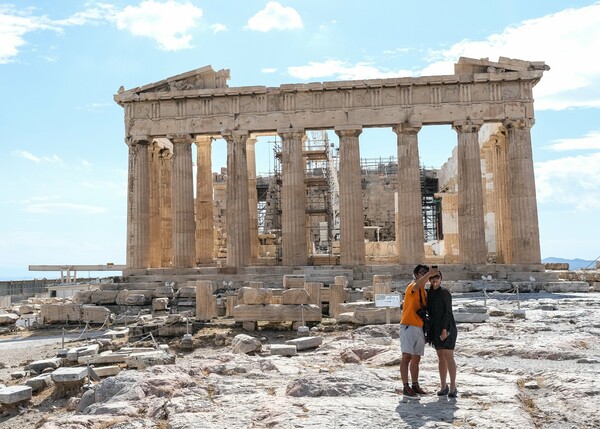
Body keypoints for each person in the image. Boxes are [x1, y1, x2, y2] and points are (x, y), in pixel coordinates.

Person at [399, 264, 439, 398]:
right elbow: (416, 286)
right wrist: (429, 275)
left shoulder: (424, 292)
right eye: (422, 273)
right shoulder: (412, 286)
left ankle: (415, 385)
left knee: (416, 359)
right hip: (408, 325)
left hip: (419, 327)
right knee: (406, 357)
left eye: (426, 273)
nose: (424, 274)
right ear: (416, 275)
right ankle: (405, 386)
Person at [426, 270, 458, 398]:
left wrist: (445, 329)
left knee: (448, 355)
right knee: (441, 357)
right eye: (432, 278)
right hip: (435, 328)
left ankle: (453, 387)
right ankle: (443, 386)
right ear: (429, 279)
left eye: (437, 277)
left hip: (447, 326)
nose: (435, 280)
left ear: (441, 278)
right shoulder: (428, 294)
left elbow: (448, 312)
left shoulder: (445, 293)